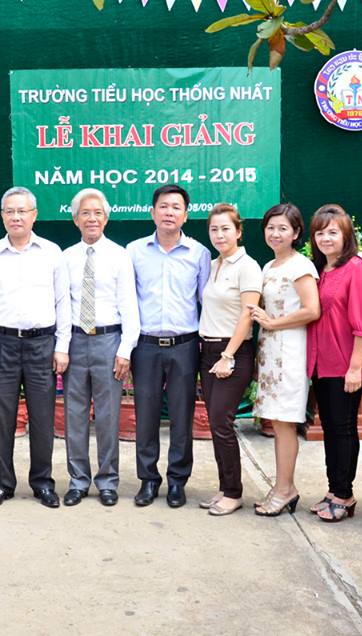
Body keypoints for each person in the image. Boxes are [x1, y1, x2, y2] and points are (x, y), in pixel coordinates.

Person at [0, 186, 71, 509]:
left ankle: (42, 483)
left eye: (22, 211)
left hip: (42, 343)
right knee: (1, 418)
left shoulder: (52, 253)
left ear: (34, 215)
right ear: (2, 216)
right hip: (1, 344)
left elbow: (63, 302)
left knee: (42, 417)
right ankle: (3, 483)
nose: (16, 217)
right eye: (10, 211)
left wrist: (62, 345)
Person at [127, 184, 211, 508]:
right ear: (152, 212)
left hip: (184, 346)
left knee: (181, 415)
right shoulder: (134, 251)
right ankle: (148, 479)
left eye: (176, 207)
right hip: (146, 346)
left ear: (186, 215)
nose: (169, 212)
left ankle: (178, 480)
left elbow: (206, 301)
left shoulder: (199, 254)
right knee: (145, 415)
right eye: (163, 206)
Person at [61, 188, 140, 507]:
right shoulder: (66, 257)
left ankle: (107, 481)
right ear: (75, 219)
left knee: (108, 415)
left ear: (106, 218)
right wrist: (61, 346)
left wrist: (125, 349)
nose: (91, 218)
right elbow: (61, 304)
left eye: (97, 213)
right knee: (74, 414)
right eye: (85, 213)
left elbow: (129, 305)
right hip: (75, 341)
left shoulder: (120, 256)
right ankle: (78, 481)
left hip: (109, 341)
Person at [306, 205, 362, 523]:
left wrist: (355, 368)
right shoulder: (321, 270)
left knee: (344, 429)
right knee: (331, 430)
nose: (326, 238)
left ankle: (344, 495)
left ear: (346, 235)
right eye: (320, 233)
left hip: (345, 365)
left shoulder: (356, 268)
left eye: (333, 232)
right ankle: (334, 489)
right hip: (321, 364)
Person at [248, 204, 319, 517]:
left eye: (283, 228)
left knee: (285, 423)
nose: (275, 233)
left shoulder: (300, 266)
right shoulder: (269, 266)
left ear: (296, 232)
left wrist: (273, 323)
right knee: (277, 422)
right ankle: (282, 486)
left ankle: (285, 488)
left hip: (290, 351)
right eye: (271, 227)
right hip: (270, 350)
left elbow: (312, 310)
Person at [198, 203, 263, 516]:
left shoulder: (247, 266)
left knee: (222, 421)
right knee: (215, 423)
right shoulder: (213, 265)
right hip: (207, 350)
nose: (219, 235)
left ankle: (234, 493)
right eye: (214, 229)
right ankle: (225, 487)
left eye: (225, 228)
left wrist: (228, 355)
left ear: (238, 231)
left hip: (233, 351)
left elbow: (247, 315)